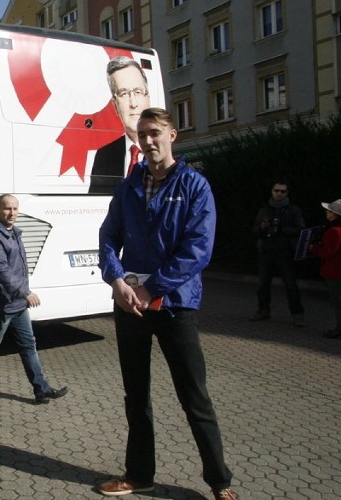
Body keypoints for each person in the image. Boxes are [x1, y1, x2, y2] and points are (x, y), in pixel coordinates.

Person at [97, 108, 236, 500]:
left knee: (194, 397)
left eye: (155, 133)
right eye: (142, 135)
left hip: (175, 305)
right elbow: (108, 237)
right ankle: (139, 475)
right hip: (131, 307)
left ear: (172, 135)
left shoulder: (194, 185)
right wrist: (117, 279)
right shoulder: (129, 187)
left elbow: (198, 250)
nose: (148, 141)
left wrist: (152, 287)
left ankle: (219, 482)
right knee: (135, 395)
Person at [0, 194, 67, 406]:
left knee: (28, 345)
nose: (11, 213)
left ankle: (41, 389)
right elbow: (0, 270)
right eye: (6, 208)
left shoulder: (13, 233)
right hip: (0, 305)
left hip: (17, 304)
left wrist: (22, 294)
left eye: (15, 208)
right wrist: (25, 292)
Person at [89, 56, 152, 195]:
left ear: (148, 98)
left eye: (138, 92)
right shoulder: (104, 155)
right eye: (124, 94)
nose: (133, 103)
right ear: (115, 105)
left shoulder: (162, 149)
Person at [251, 181, 306, 325]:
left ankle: (297, 314)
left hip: (284, 252)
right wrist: (263, 227)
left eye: (282, 191)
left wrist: (283, 228)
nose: (279, 193)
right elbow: (255, 230)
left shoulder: (293, 210)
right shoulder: (265, 210)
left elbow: (301, 229)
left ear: (287, 193)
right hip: (266, 250)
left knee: (290, 285)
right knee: (263, 284)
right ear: (272, 191)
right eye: (277, 190)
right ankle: (263, 310)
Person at [309, 199, 341, 339]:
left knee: (338, 301)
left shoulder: (334, 231)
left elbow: (329, 252)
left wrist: (314, 247)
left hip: (335, 272)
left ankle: (340, 329)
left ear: (334, 214)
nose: (327, 213)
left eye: (329, 211)